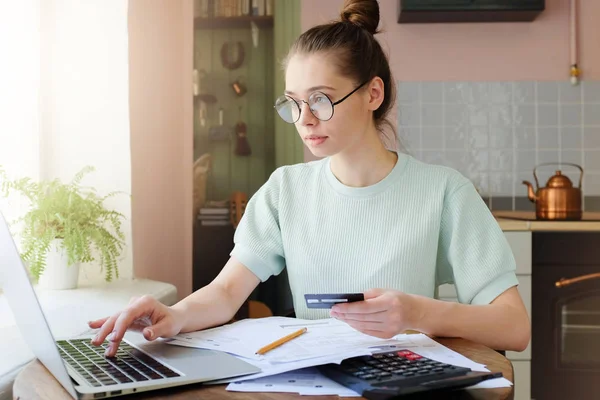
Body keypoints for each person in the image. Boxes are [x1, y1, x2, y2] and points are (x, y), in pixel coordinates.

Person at [90, 0, 530, 358]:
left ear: (373, 93)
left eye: (321, 100)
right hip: (313, 386)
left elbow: (514, 326)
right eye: (294, 103)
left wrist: (417, 312)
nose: (305, 120)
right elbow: (226, 292)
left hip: (406, 386)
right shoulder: (286, 191)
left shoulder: (443, 191)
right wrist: (174, 314)